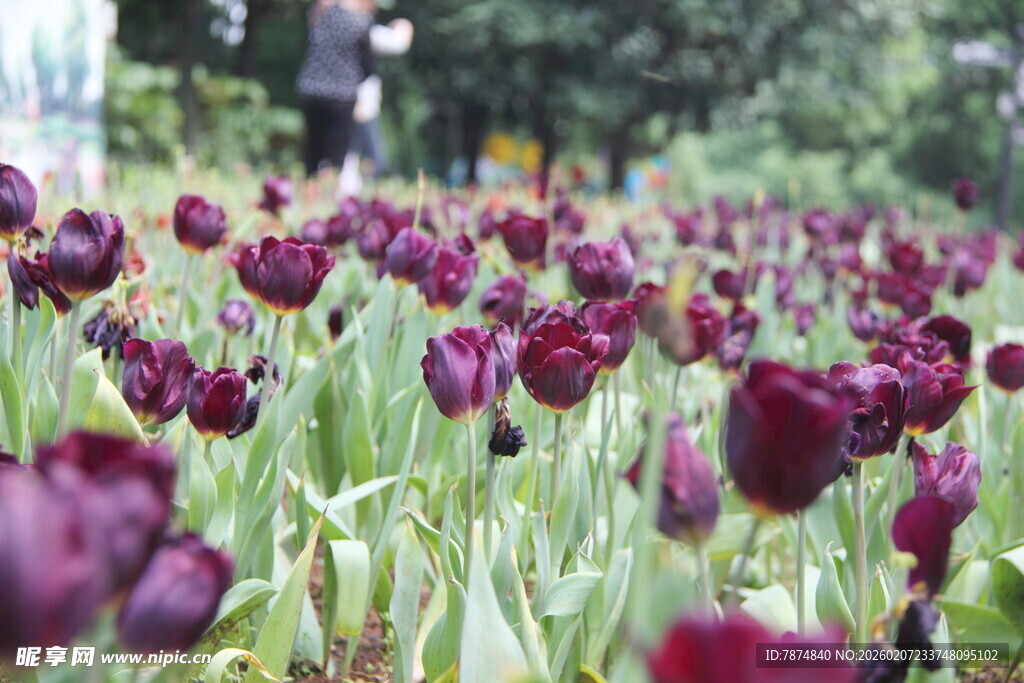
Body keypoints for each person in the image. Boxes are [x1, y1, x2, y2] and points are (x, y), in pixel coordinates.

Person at [295, 0, 375, 178]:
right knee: (336, 156)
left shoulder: (320, 14)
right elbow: (368, 66)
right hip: (342, 96)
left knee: (312, 151)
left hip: (311, 91)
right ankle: (329, 189)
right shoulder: (361, 21)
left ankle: (310, 186)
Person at [338, 14, 414, 197]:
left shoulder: (346, 28)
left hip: (357, 105)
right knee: (370, 158)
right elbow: (399, 42)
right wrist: (404, 26)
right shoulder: (359, 30)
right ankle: (357, 196)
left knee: (354, 156)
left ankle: (355, 194)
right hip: (359, 106)